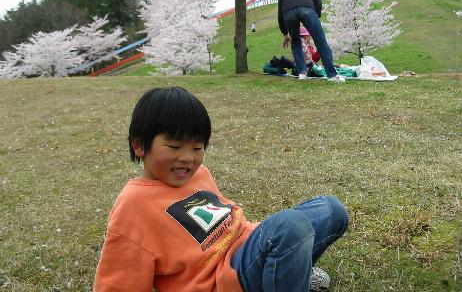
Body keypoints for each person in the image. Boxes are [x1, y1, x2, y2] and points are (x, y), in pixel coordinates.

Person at [93, 86, 349, 292]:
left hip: (246, 249)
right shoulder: (133, 205)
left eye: (197, 147)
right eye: (174, 147)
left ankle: (288, 274)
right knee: (290, 227)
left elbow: (225, 220)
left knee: (331, 209)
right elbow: (117, 282)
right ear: (139, 145)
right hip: (223, 280)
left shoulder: (199, 174)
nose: (187, 158)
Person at [278, 0, 345, 82]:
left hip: (289, 13)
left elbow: (280, 14)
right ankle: (332, 75)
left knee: (295, 42)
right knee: (321, 41)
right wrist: (317, 14)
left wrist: (285, 33)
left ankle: (302, 74)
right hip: (307, 10)